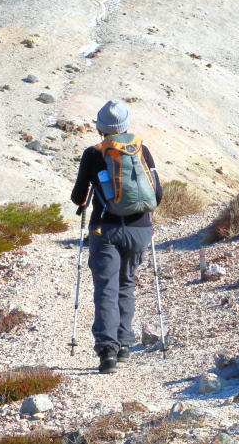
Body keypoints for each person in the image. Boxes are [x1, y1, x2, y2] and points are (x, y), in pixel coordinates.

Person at [70, 99, 163, 373]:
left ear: (100, 128)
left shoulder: (93, 153)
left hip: (105, 228)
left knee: (106, 288)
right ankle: (124, 345)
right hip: (140, 229)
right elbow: (157, 194)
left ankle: (107, 353)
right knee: (126, 283)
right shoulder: (141, 150)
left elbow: (78, 197)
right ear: (125, 125)